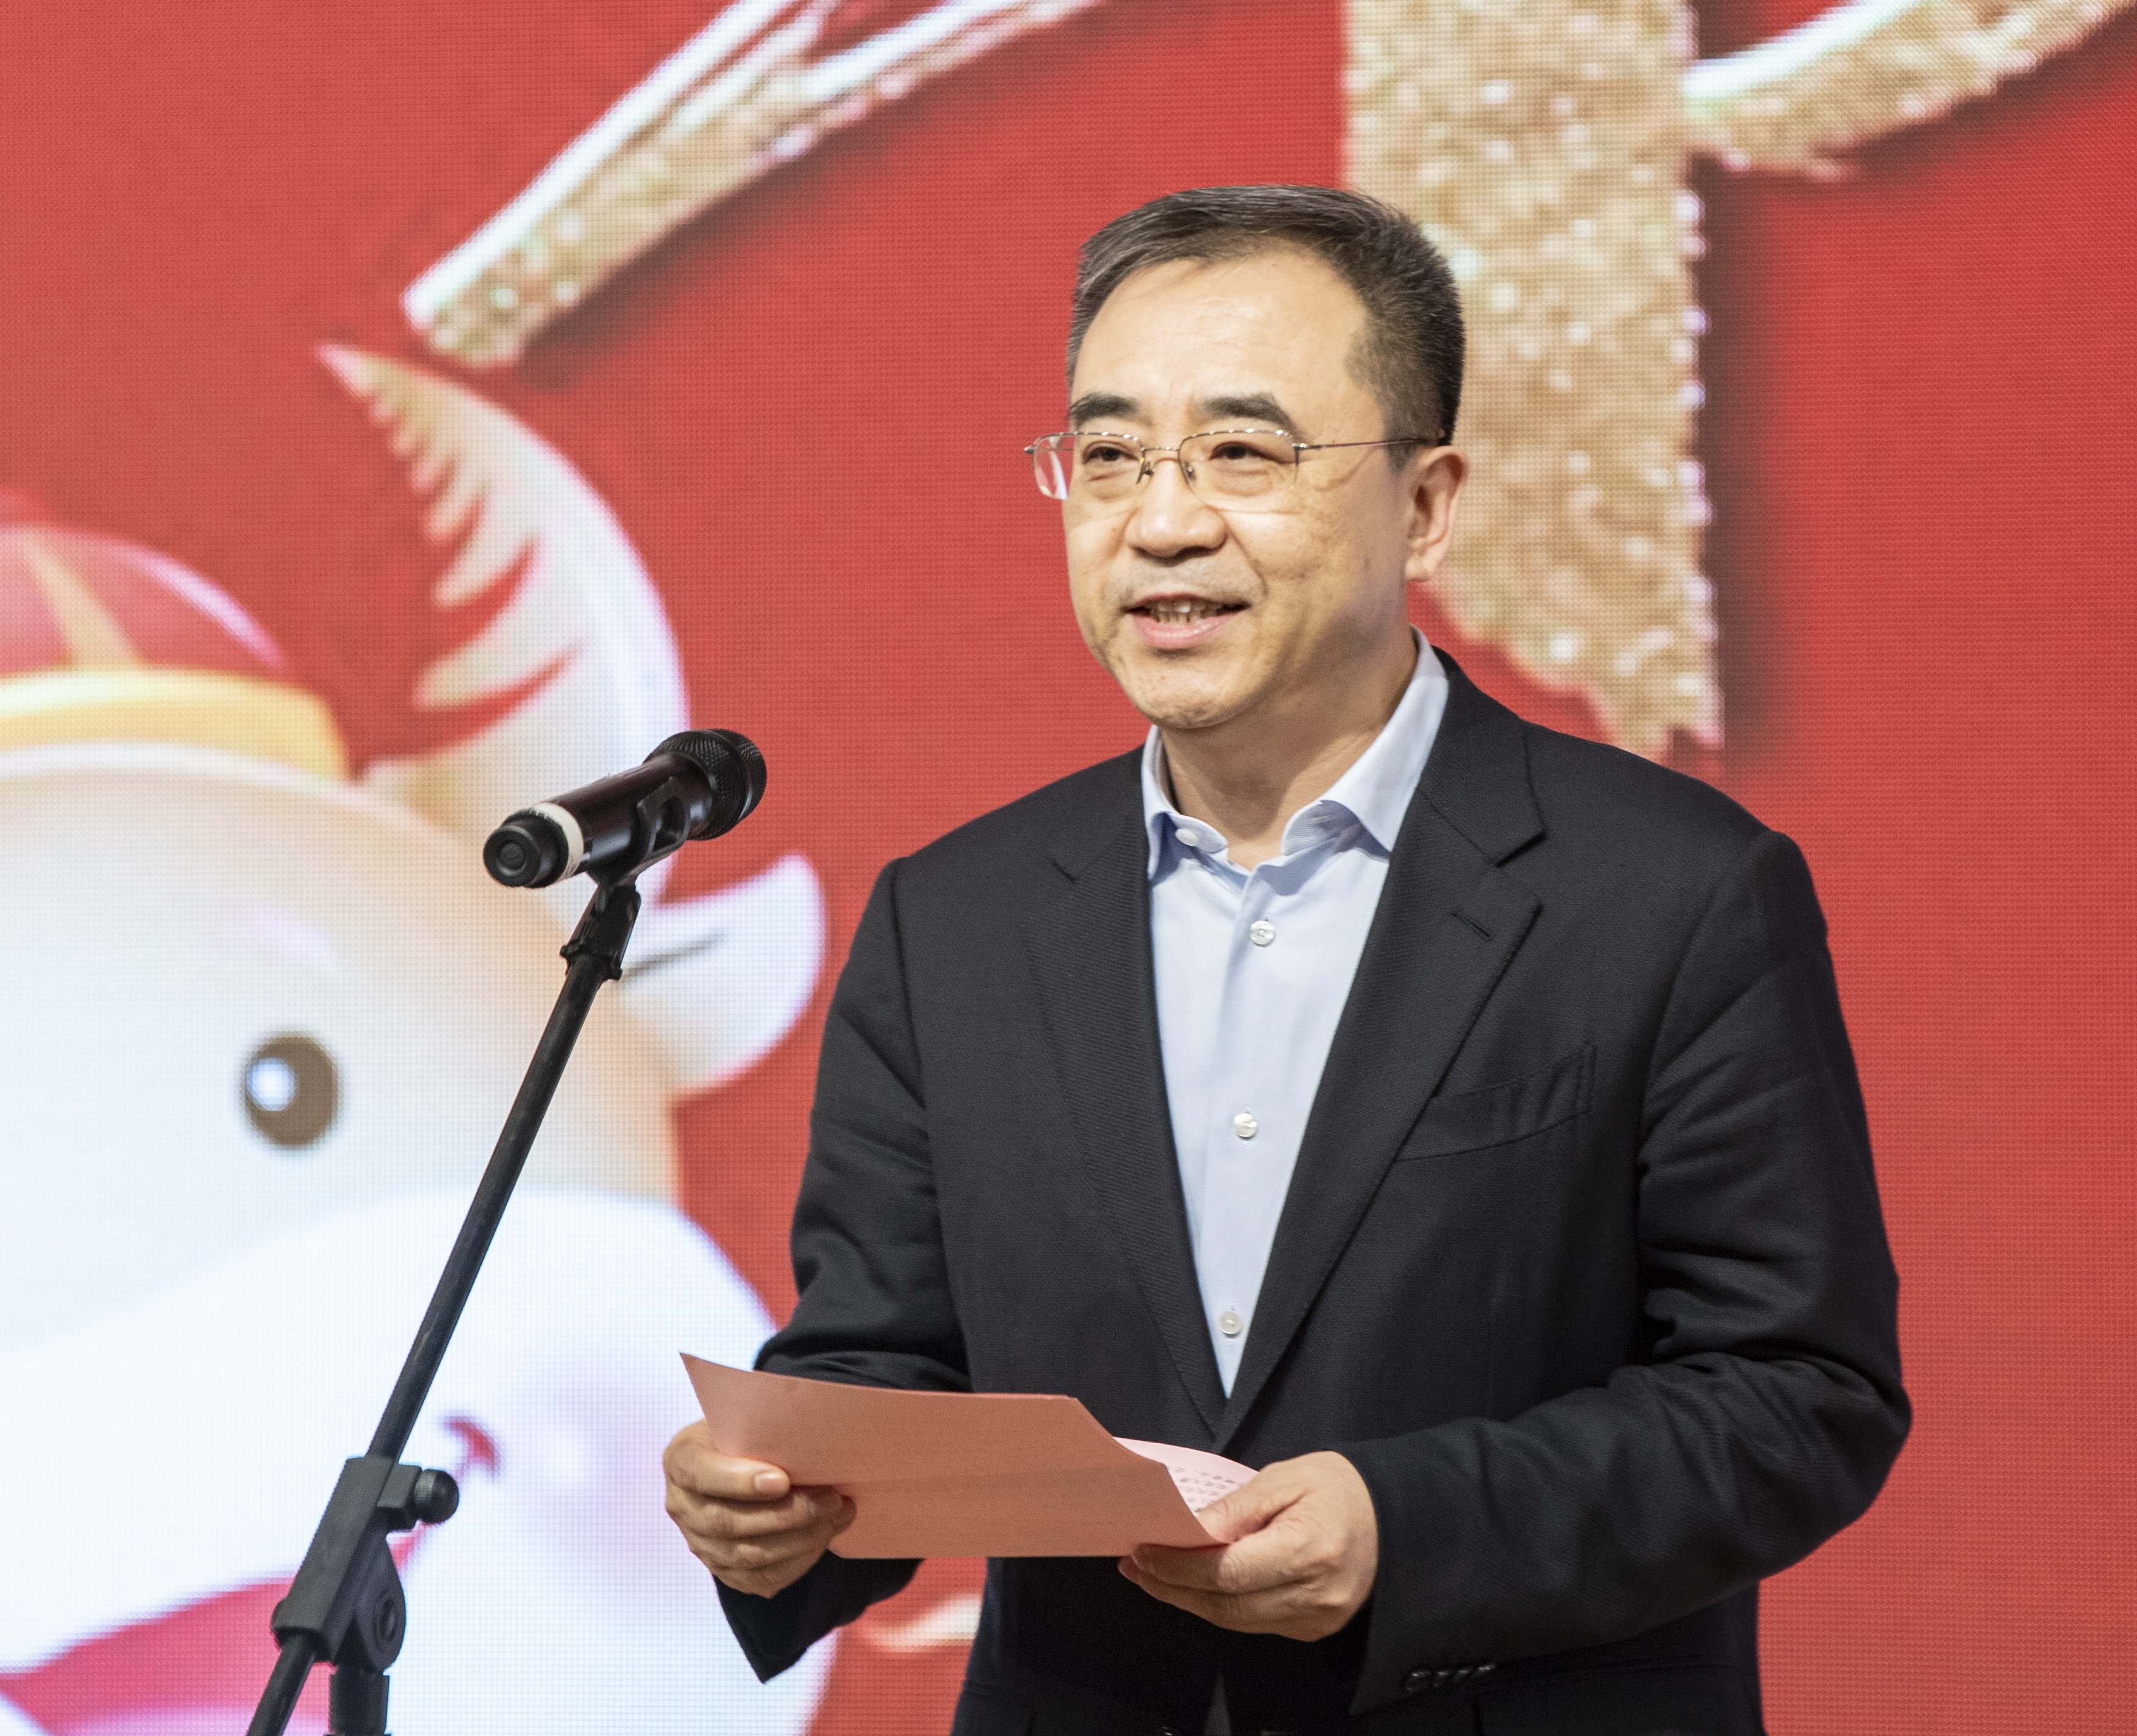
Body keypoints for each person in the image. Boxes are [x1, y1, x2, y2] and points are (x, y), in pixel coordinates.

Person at [663, 185, 1908, 1735]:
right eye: (1108, 457)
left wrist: (1406, 1525)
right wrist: (781, 1500)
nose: (1161, 521)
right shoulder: (956, 917)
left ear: (1426, 504)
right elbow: (885, 1358)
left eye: (1242, 454)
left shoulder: (1668, 892)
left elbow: (1796, 1395)